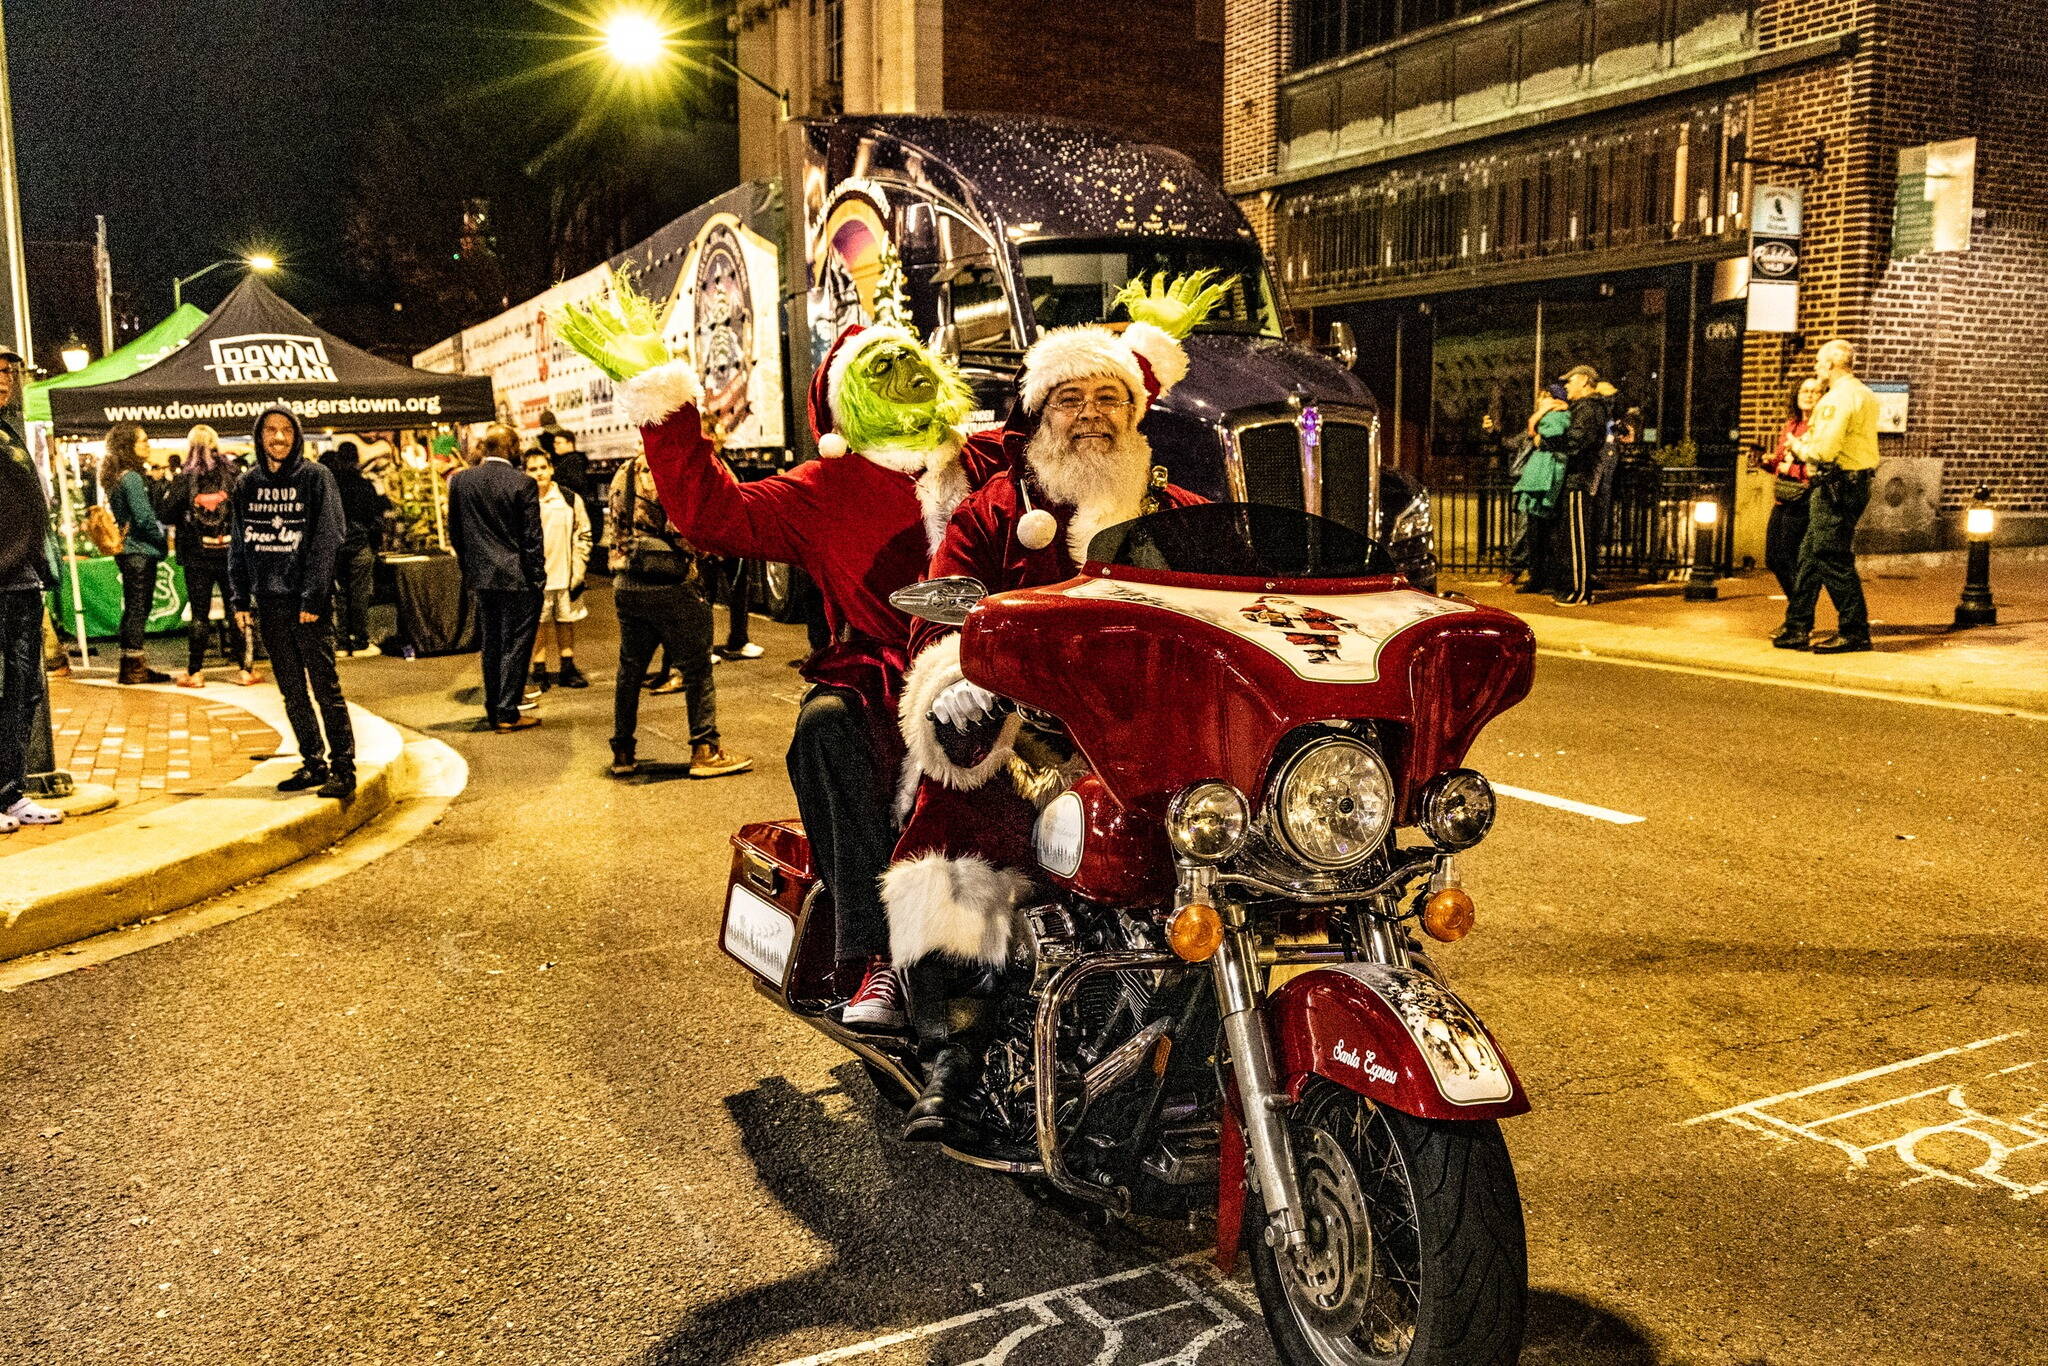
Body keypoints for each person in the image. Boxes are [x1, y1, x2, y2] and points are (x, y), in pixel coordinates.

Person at [559, 275, 1008, 1035]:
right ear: (848, 399)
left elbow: (1077, 433)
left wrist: (1128, 376)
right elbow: (711, 512)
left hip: (1002, 665)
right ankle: (880, 954)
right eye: (880, 372)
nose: (904, 380)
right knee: (825, 727)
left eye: (911, 366)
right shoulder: (825, 485)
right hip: (883, 673)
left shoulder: (990, 458)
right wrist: (666, 408)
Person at [884, 298, 1209, 1145]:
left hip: (1156, 730)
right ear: (1040, 413)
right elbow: (939, 618)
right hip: (1025, 732)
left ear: (1137, 412)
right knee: (956, 827)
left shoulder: (1181, 509)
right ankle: (951, 1056)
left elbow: (1256, 590)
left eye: (1109, 398)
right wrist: (956, 678)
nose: (1090, 415)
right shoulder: (996, 509)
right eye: (1071, 399)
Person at [228, 408, 356, 799]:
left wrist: (314, 595)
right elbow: (239, 542)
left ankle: (343, 767)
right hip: (269, 602)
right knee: (291, 690)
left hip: (308, 601)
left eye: (286, 430)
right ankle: (313, 762)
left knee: (324, 687)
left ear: (297, 436)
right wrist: (240, 597)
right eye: (270, 430)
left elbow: (328, 538)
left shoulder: (316, 477)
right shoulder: (247, 483)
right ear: (259, 436)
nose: (278, 438)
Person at [605, 450, 749, 778]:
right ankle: (705, 750)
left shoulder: (623, 471)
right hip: (672, 584)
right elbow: (682, 529)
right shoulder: (667, 470)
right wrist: (706, 554)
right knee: (697, 670)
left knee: (630, 670)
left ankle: (623, 753)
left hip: (627, 582)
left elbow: (616, 527)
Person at [1776, 339, 1880, 653]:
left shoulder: (1836, 399)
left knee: (1830, 555)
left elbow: (1823, 450)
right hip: (1853, 481)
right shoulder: (1864, 393)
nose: (1817, 370)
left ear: (1832, 365)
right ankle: (1797, 625)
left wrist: (1797, 446)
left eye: (1820, 364)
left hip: (1836, 484)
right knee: (1810, 553)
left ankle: (1855, 630)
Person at [0, 346, 65, 833]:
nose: (4, 378)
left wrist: (42, 568)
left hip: (23, 582)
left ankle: (10, 791)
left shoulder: (9, 433)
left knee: (23, 691)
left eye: (9, 371)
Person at [447, 424, 546, 732]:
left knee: (491, 642)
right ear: (512, 446)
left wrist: (470, 567)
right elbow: (531, 537)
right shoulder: (523, 483)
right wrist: (537, 577)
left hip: (481, 576)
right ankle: (507, 710)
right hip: (517, 577)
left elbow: (456, 532)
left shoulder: (461, 481)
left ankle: (495, 707)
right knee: (516, 643)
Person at [164, 424, 259, 687]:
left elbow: (166, 513)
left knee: (199, 613)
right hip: (231, 552)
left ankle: (195, 672)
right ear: (216, 444)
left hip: (196, 555)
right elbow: (248, 509)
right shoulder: (232, 473)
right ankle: (246, 670)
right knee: (236, 609)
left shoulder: (184, 478)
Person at [97, 423, 171, 684]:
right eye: (143, 441)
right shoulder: (131, 478)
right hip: (139, 551)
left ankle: (132, 664)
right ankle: (134, 667)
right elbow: (144, 518)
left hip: (128, 551)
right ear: (129, 446)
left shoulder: (117, 476)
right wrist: (161, 541)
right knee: (139, 607)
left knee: (134, 607)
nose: (148, 445)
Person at [1539, 363, 1611, 606]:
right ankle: (1572, 588)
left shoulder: (1589, 408)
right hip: (1575, 478)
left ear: (1582, 380)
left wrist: (1547, 442)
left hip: (1579, 478)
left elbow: (1577, 441)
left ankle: (1579, 591)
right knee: (1569, 538)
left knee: (1576, 538)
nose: (1566, 386)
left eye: (1569, 381)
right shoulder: (1584, 408)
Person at [523, 448, 593, 690]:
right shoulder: (523, 500)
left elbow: (583, 533)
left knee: (566, 620)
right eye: (533, 469)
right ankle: (539, 669)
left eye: (543, 467)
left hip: (566, 574)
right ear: (525, 472)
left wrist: (579, 569)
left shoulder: (569, 498)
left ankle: (567, 666)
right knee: (538, 623)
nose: (539, 473)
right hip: (537, 578)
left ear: (552, 468)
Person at [1758, 377, 1824, 600]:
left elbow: (1818, 468)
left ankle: (1800, 611)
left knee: (1790, 556)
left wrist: (1792, 469)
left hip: (1803, 499)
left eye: (1814, 391)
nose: (1808, 395)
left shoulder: (1820, 428)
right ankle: (1798, 605)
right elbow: (1780, 463)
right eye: (1804, 391)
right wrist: (1766, 462)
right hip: (1784, 497)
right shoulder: (1792, 426)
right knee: (1773, 558)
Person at [327, 442, 390, 657]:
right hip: (360, 544)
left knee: (341, 594)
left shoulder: (331, 486)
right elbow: (379, 511)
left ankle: (342, 642)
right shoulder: (364, 485)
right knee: (360, 593)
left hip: (336, 546)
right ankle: (360, 640)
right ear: (356, 458)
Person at [1512, 386, 1571, 593]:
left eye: (1546, 397)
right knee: (1537, 533)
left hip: (1545, 478)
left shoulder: (1558, 416)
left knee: (1545, 533)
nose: (1542, 401)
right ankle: (1540, 577)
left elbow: (1551, 437)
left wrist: (1538, 429)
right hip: (1539, 478)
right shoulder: (1552, 415)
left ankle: (1545, 578)